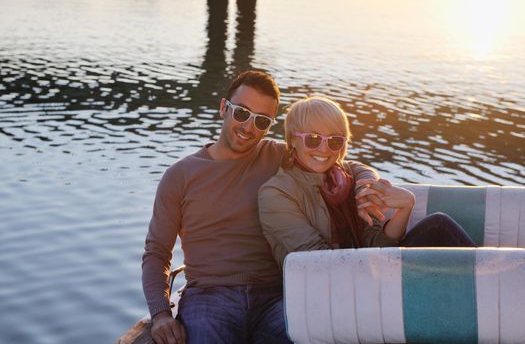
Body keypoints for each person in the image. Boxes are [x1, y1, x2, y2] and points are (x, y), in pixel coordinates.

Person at [142, 72, 381, 344]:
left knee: (321, 335)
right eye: (241, 113)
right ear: (223, 108)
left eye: (261, 121)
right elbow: (157, 253)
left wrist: (365, 187)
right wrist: (161, 313)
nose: (248, 127)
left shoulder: (280, 156)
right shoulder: (180, 175)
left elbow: (349, 166)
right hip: (210, 296)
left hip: (276, 295)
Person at [258, 96, 476, 269]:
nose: (324, 149)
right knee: (439, 231)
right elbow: (318, 261)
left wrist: (404, 207)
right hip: (326, 290)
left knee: (439, 225)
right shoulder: (276, 193)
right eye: (313, 139)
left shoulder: (344, 177)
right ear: (292, 139)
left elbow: (378, 245)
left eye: (334, 141)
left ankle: (490, 293)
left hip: (368, 273)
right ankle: (493, 290)